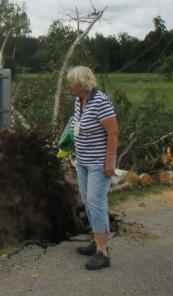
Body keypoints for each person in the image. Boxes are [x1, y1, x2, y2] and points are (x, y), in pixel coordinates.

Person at [67, 65, 119, 270]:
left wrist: (110, 163)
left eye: (72, 81)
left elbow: (113, 133)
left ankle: (103, 252)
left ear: (82, 82)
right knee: (88, 203)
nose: (70, 85)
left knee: (96, 202)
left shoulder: (101, 102)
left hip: (98, 163)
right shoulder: (79, 101)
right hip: (83, 162)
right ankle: (97, 241)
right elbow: (77, 128)